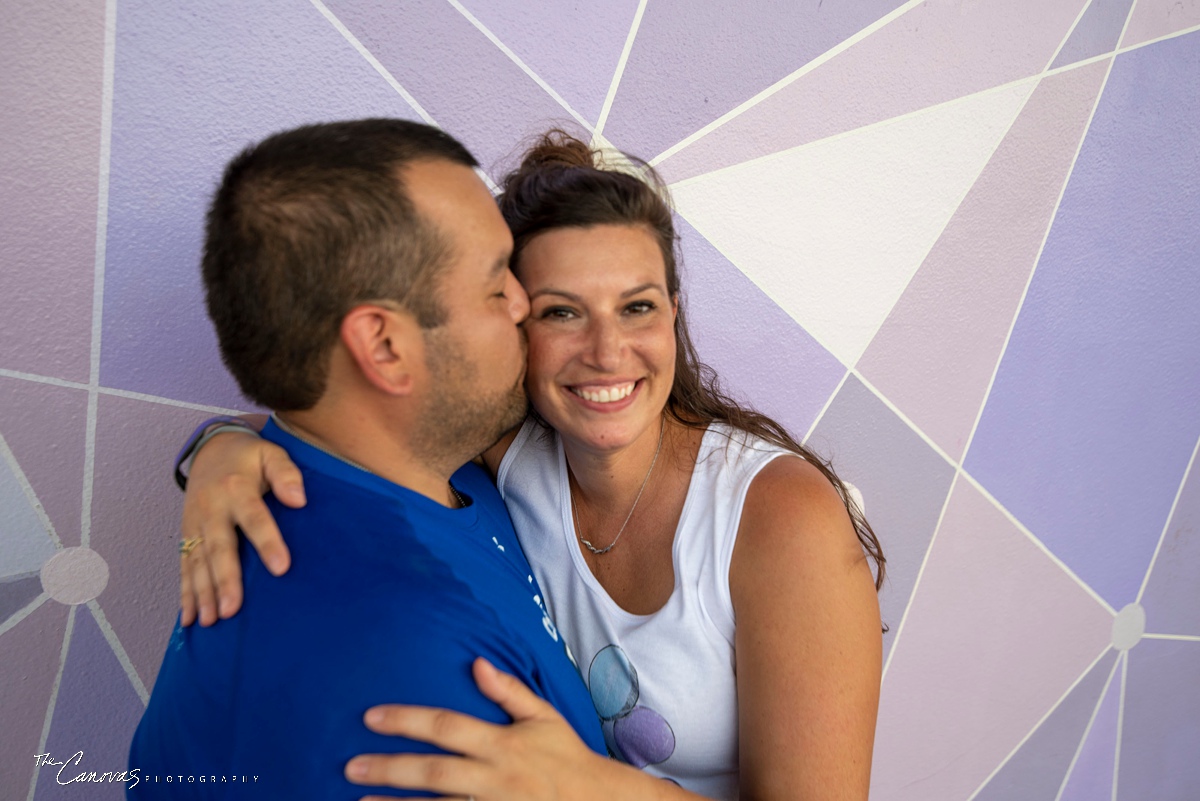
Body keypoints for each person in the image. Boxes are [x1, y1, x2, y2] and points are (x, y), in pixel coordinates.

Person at [178, 131, 886, 800]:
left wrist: (594, 789)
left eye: (636, 306)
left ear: (673, 313)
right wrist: (221, 449)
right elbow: (351, 423)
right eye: (562, 313)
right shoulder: (511, 450)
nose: (608, 351)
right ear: (514, 327)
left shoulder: (780, 518)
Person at [127, 119, 608, 799]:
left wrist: (219, 440)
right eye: (496, 282)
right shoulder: (420, 677)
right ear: (383, 347)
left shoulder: (371, 473)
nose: (525, 304)